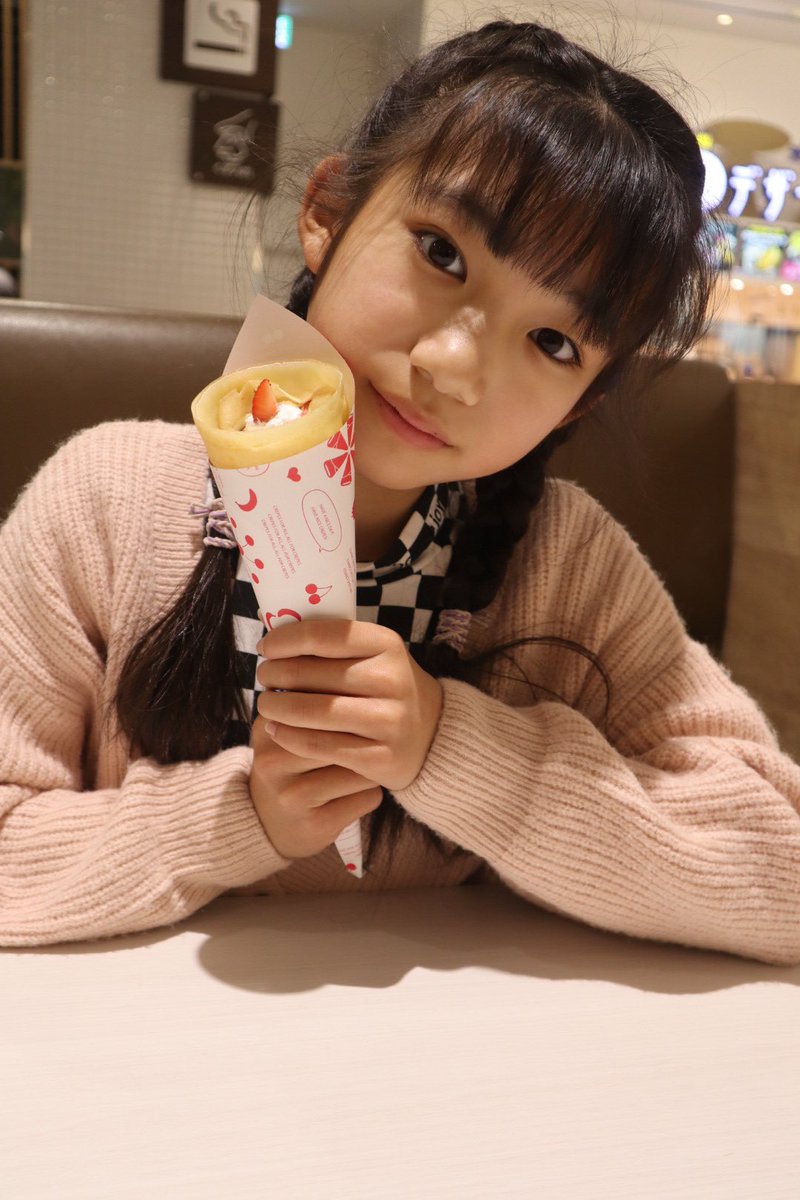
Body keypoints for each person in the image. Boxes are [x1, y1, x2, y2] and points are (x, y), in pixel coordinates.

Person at [2, 20, 799, 962]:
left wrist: (452, 750)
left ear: (578, 406)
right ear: (328, 212)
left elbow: (778, 873)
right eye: (441, 253)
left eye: (552, 343)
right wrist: (241, 815)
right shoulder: (107, 503)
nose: (454, 366)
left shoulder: (566, 563)